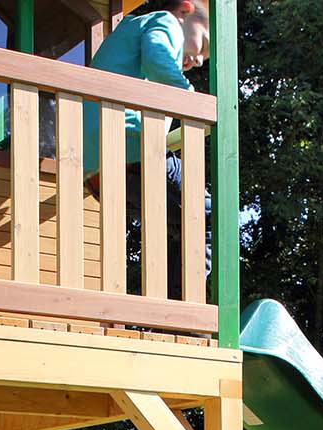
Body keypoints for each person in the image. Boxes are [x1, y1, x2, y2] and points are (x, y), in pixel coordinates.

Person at [82, 0, 213, 301]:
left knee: (172, 225)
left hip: (98, 173)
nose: (199, 60)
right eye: (202, 44)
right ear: (184, 11)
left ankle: (161, 310)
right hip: (129, 152)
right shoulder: (162, 22)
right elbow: (158, 56)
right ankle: (183, 306)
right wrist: (190, 98)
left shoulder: (127, 37)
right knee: (205, 213)